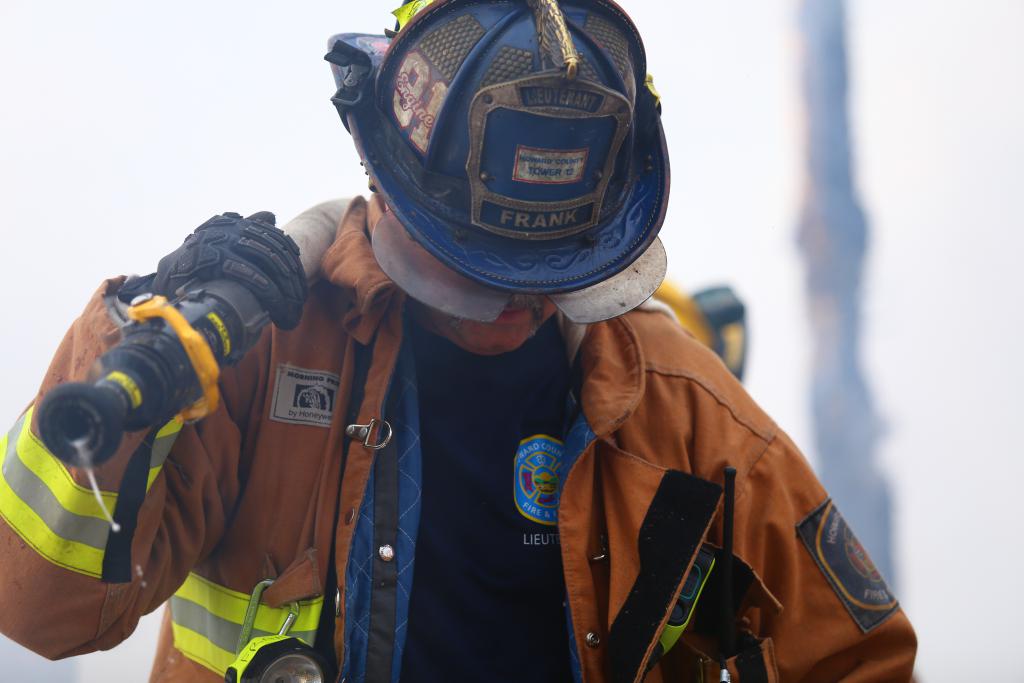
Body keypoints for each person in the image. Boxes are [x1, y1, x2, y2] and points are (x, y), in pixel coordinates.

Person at [0, 0, 916, 681]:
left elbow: (858, 659)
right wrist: (139, 329)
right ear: (388, 183)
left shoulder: (681, 417)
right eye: (481, 269)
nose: (519, 302)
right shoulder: (264, 348)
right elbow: (41, 603)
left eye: (551, 270)